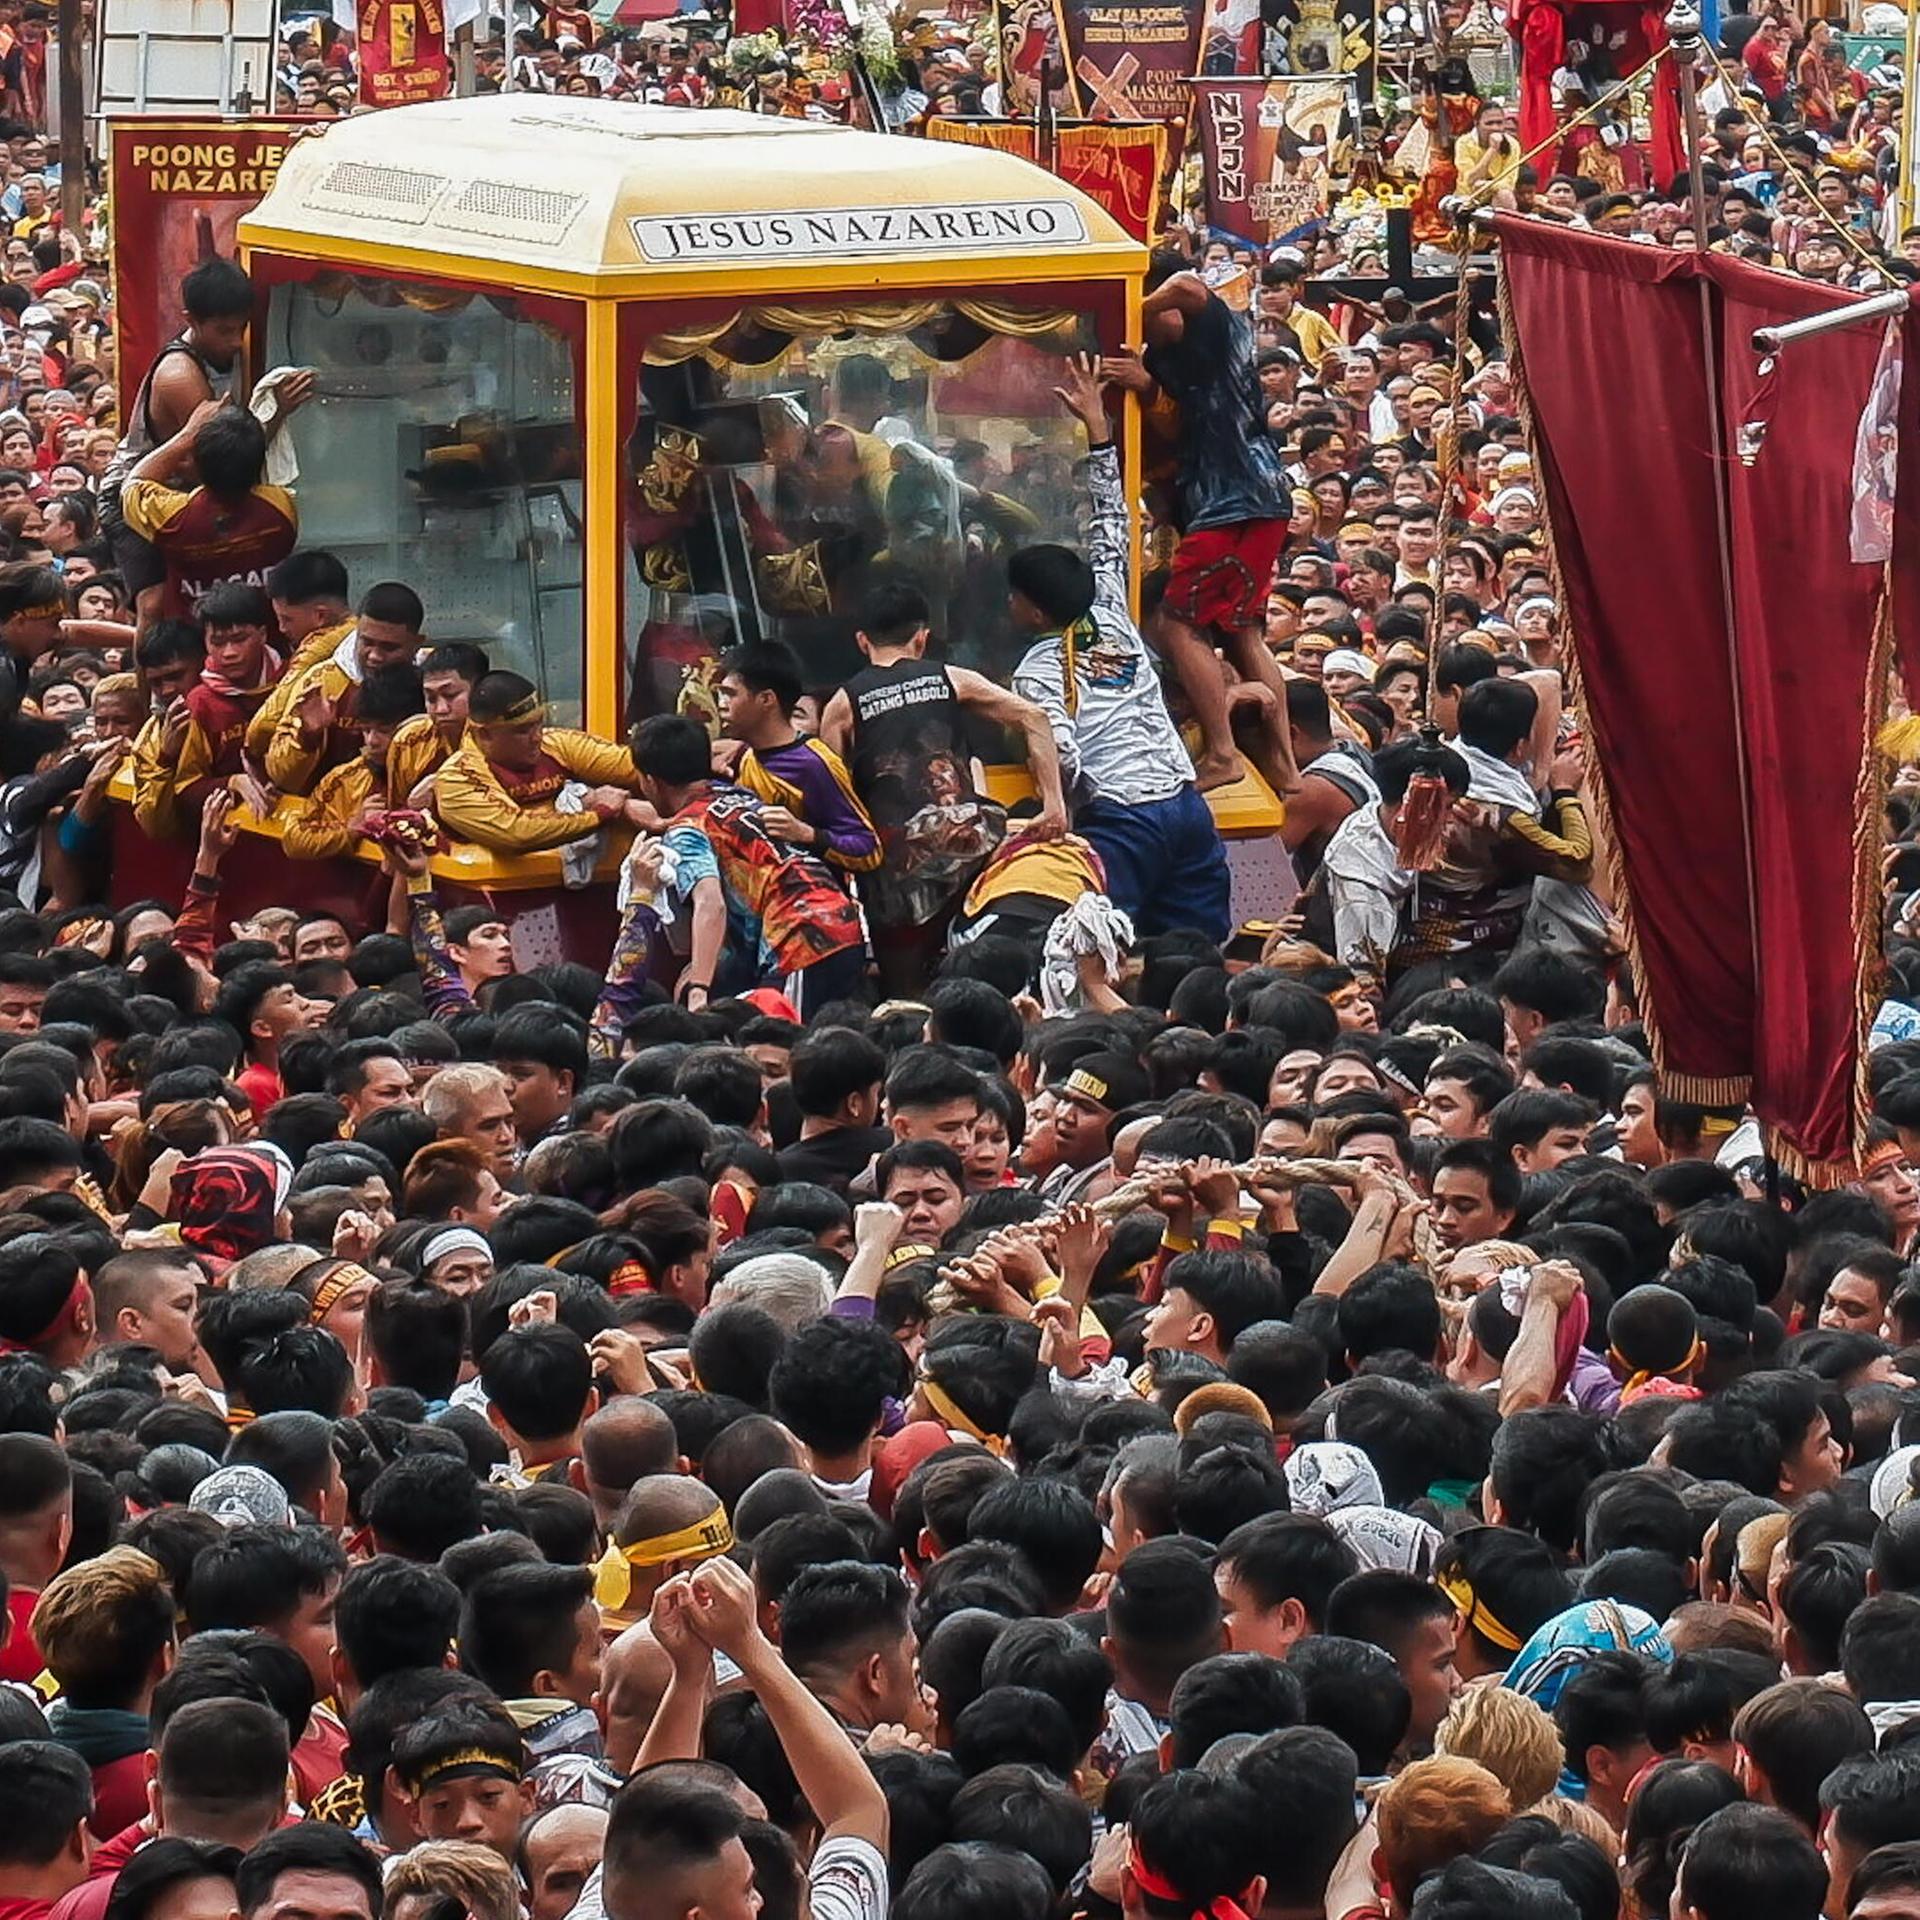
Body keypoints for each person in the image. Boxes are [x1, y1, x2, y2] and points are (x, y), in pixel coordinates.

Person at [1011, 357, 1231, 940]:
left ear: (1031, 609)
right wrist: (1098, 429)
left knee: (1108, 946)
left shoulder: (1036, 669)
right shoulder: (1109, 603)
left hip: (1123, 821)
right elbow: (1112, 519)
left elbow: (1059, 749)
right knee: (1195, 949)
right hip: (1185, 807)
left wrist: (1069, 807)